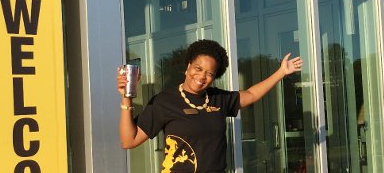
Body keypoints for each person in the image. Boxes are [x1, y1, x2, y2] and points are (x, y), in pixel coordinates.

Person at [117, 39, 303, 172]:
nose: (201, 77)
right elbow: (129, 141)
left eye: (209, 74)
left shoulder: (218, 99)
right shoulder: (164, 101)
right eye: (198, 69)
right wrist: (126, 99)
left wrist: (281, 73)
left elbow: (252, 94)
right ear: (188, 66)